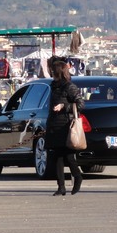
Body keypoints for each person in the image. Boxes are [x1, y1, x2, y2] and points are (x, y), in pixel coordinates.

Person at [45, 60, 85, 196]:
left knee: (68, 156)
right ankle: (61, 187)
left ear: (58, 72)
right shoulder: (53, 86)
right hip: (54, 126)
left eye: (53, 71)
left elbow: (80, 104)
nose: (51, 73)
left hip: (65, 126)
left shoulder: (69, 87)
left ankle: (77, 177)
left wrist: (64, 107)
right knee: (57, 157)